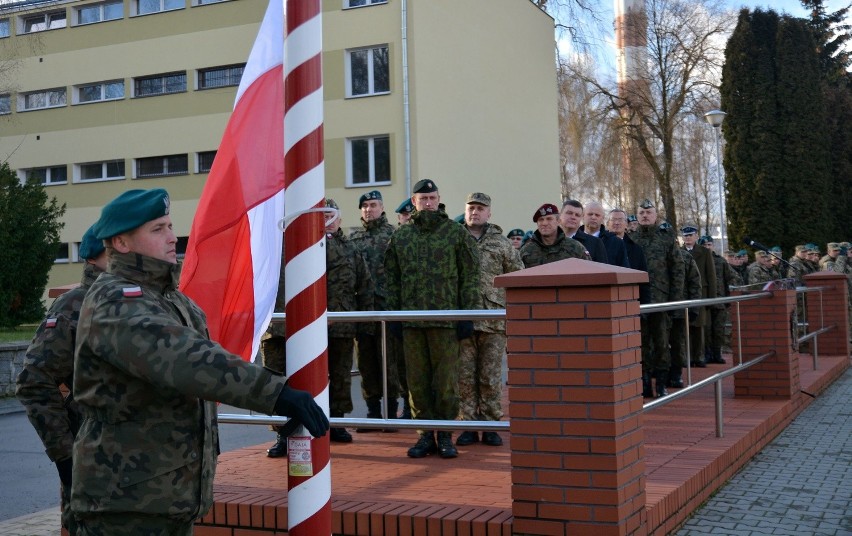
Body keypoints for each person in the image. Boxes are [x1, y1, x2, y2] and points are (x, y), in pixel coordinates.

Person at [71, 188, 328, 535]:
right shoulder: (115, 300)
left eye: (169, 225)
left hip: (164, 495)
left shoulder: (171, 298)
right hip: (125, 501)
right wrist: (274, 392)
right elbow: (187, 361)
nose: (171, 237)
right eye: (157, 229)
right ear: (121, 243)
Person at [16, 225, 107, 535]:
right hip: (96, 475)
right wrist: (67, 461)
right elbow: (34, 382)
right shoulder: (76, 305)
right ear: (103, 254)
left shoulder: (141, 300)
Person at [384, 179, 480, 459]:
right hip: (412, 323)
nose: (428, 203)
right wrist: (395, 318)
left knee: (445, 383)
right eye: (422, 198)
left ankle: (446, 436)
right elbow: (391, 279)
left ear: (439, 200)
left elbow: (470, 276)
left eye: (432, 198)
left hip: (445, 321)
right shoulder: (401, 236)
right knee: (417, 383)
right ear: (413, 202)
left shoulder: (454, 233)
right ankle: (425, 435)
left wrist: (467, 315)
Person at [456, 192, 523, 448]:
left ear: (489, 213)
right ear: (465, 211)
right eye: (471, 207)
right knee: (464, 377)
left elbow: (517, 276)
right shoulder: (456, 239)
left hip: (493, 321)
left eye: (480, 208)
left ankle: (492, 425)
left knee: (490, 376)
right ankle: (468, 425)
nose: (475, 212)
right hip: (463, 317)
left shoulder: (502, 243)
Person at [348, 190, 407, 428]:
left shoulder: (394, 235)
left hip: (387, 309)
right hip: (363, 311)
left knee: (389, 363)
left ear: (382, 207)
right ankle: (373, 412)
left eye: (373, 205)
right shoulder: (354, 239)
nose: (368, 209)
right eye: (364, 206)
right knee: (367, 364)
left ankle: (391, 412)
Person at [325, 198, 373, 442]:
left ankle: (338, 422)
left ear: (340, 219)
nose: (328, 221)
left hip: (342, 326)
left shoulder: (352, 249)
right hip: (309, 328)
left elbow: (364, 287)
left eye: (331, 215)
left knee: (340, 375)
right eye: (322, 216)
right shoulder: (303, 248)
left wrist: (364, 323)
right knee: (307, 377)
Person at [628, 199, 685, 398]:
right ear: (637, 214)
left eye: (649, 212)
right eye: (641, 212)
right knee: (641, 343)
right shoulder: (630, 239)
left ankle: (661, 383)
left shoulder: (666, 238)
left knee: (662, 343)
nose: (645, 215)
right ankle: (644, 382)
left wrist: (675, 302)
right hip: (637, 300)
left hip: (661, 299)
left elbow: (677, 270)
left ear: (655, 215)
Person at [681, 225, 717, 368]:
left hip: (701, 294)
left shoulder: (704, 252)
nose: (688, 238)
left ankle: (699, 356)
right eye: (685, 236)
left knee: (699, 327)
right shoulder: (678, 252)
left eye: (690, 235)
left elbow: (711, 275)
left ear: (696, 236)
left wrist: (712, 299)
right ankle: (688, 357)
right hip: (684, 294)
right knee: (685, 327)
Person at [700, 235, 739, 361]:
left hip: (720, 301)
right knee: (706, 330)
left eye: (709, 245)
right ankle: (707, 354)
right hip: (704, 301)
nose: (707, 247)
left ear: (712, 246)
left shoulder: (720, 261)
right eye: (704, 245)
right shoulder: (697, 260)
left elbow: (732, 277)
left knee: (718, 330)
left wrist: (729, 294)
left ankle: (717, 354)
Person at [520, 203, 589, 268]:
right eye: (541, 220)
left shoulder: (575, 248)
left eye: (549, 219)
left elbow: (588, 272)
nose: (544, 223)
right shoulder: (526, 251)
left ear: (558, 221)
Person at [607, 208, 651, 304]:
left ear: (626, 224)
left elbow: (643, 281)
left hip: (630, 300)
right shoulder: (600, 245)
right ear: (607, 224)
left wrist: (644, 310)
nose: (617, 223)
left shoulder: (636, 249)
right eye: (613, 219)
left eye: (620, 220)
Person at [581, 200, 630, 268]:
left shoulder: (616, 243)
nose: (593, 217)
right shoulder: (574, 240)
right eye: (590, 214)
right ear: (583, 216)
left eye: (597, 215)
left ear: (603, 218)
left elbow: (624, 271)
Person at [559, 199, 608, 263]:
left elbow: (603, 271)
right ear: (560, 215)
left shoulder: (595, 243)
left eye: (577, 215)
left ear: (581, 218)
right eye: (569, 213)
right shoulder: (548, 240)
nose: (573, 217)